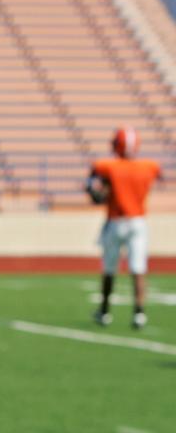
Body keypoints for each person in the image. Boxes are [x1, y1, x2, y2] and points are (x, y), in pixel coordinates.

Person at [87, 127, 162, 330]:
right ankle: (139, 314)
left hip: (116, 221)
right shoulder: (148, 166)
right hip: (138, 221)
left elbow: (95, 189)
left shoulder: (108, 166)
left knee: (109, 269)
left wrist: (100, 190)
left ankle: (104, 311)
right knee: (138, 269)